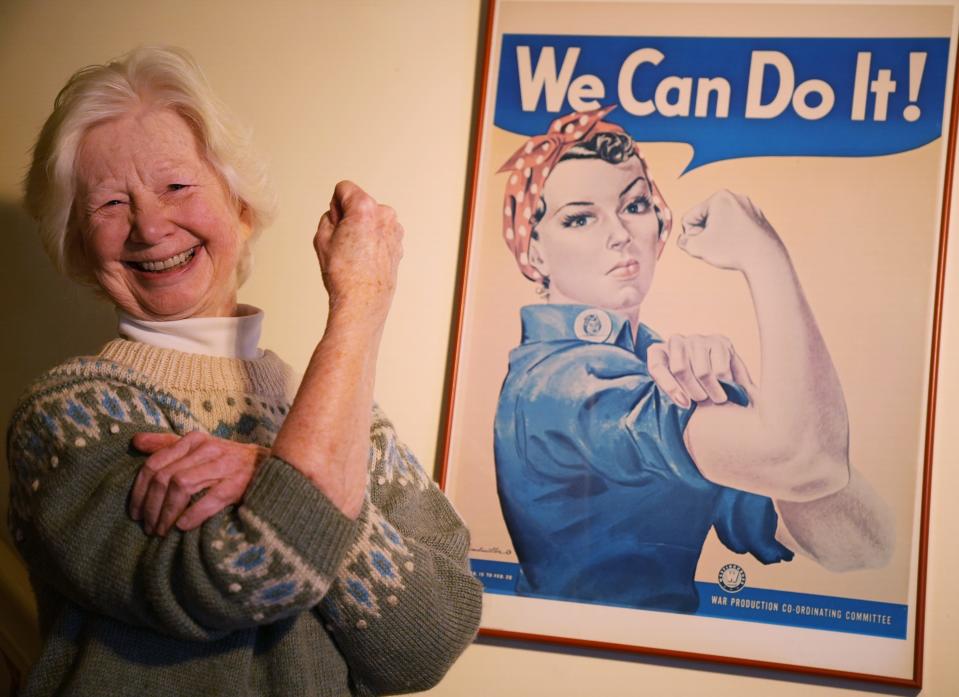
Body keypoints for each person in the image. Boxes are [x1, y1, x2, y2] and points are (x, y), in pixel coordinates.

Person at [7, 46, 482, 696]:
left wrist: (262, 468)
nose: (150, 225)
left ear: (241, 206)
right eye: (110, 204)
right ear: (79, 246)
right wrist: (360, 302)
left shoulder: (343, 413)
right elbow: (251, 571)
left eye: (176, 186)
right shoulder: (68, 414)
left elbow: (425, 643)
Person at [493, 106, 893, 612]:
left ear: (659, 224)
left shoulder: (652, 369)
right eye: (579, 218)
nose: (619, 233)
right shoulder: (564, 383)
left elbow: (859, 547)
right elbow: (807, 459)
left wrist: (744, 398)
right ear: (535, 254)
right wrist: (765, 256)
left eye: (634, 206)